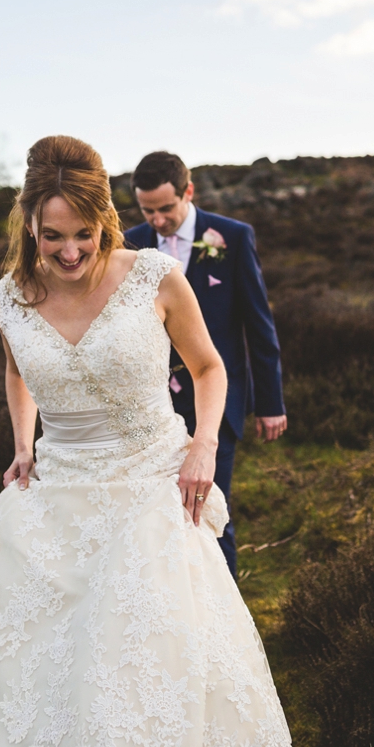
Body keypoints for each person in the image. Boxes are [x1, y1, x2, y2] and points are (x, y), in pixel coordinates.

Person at [0, 136, 292, 747]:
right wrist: (24, 443)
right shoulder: (10, 300)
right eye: (51, 238)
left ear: (105, 223)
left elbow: (211, 367)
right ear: (29, 231)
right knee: (60, 664)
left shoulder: (154, 277)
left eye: (83, 235)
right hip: (62, 491)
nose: (69, 252)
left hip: (149, 482)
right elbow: (17, 371)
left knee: (140, 652)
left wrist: (203, 445)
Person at [123, 151, 286, 578]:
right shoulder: (129, 243)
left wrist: (270, 403)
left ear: (188, 192)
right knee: (152, 519)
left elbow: (258, 325)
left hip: (217, 403)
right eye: (147, 210)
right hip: (152, 408)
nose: (157, 220)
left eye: (166, 209)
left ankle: (222, 623)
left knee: (209, 515)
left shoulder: (231, 237)